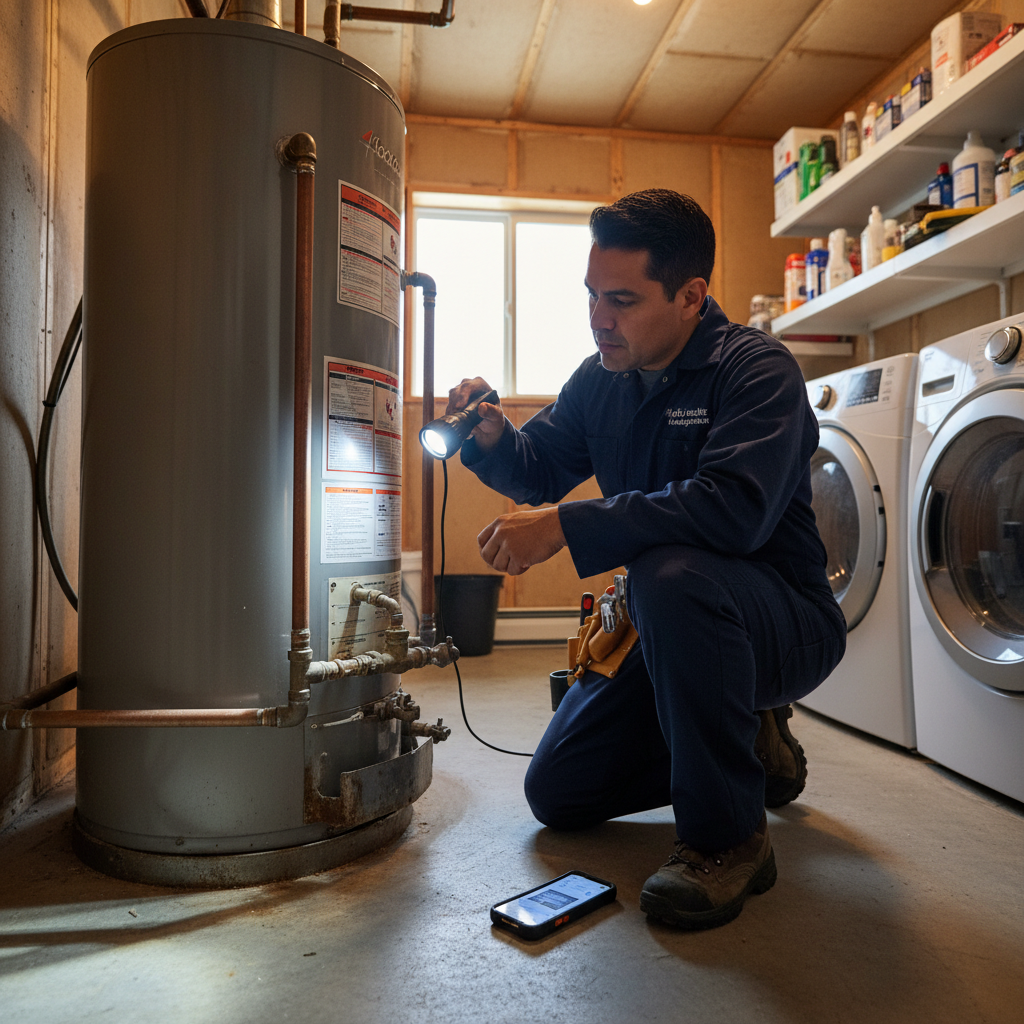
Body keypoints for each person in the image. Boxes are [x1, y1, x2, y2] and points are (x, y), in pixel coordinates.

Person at [444, 189, 846, 930]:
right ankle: (747, 739)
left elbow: (730, 508)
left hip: (779, 620)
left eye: (622, 300)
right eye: (593, 295)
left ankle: (727, 839)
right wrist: (495, 438)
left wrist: (566, 526)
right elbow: (539, 468)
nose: (599, 317)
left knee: (669, 573)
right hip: (676, 626)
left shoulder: (755, 372)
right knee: (559, 794)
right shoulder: (601, 378)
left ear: (691, 295)